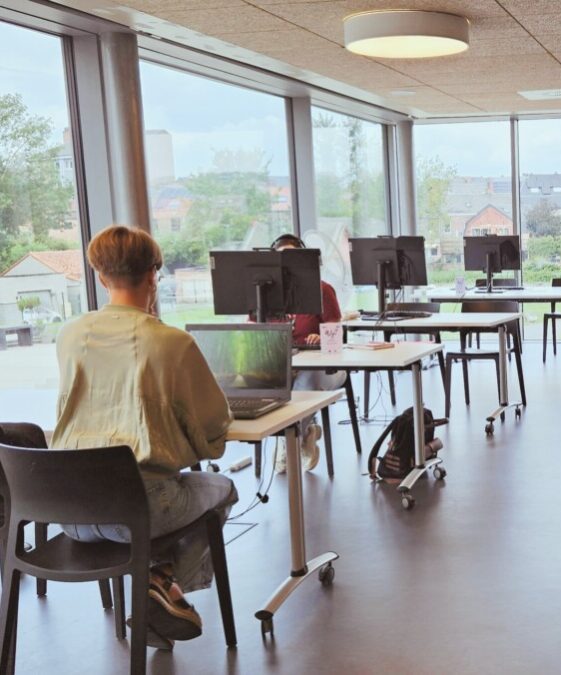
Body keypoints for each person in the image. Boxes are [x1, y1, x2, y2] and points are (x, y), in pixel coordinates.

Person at [52, 225, 237, 650]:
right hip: (139, 511)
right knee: (222, 490)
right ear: (154, 274)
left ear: (100, 276)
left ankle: (156, 587)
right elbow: (212, 428)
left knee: (162, 493)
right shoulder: (171, 342)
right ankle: (161, 580)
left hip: (69, 511)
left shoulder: (70, 336)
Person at [266, 233, 348, 474]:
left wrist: (323, 338)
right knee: (268, 386)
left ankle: (289, 444)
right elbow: (253, 330)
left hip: (325, 367)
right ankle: (305, 433)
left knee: (305, 384)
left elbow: (335, 334)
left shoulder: (322, 290)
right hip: (284, 365)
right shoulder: (266, 295)